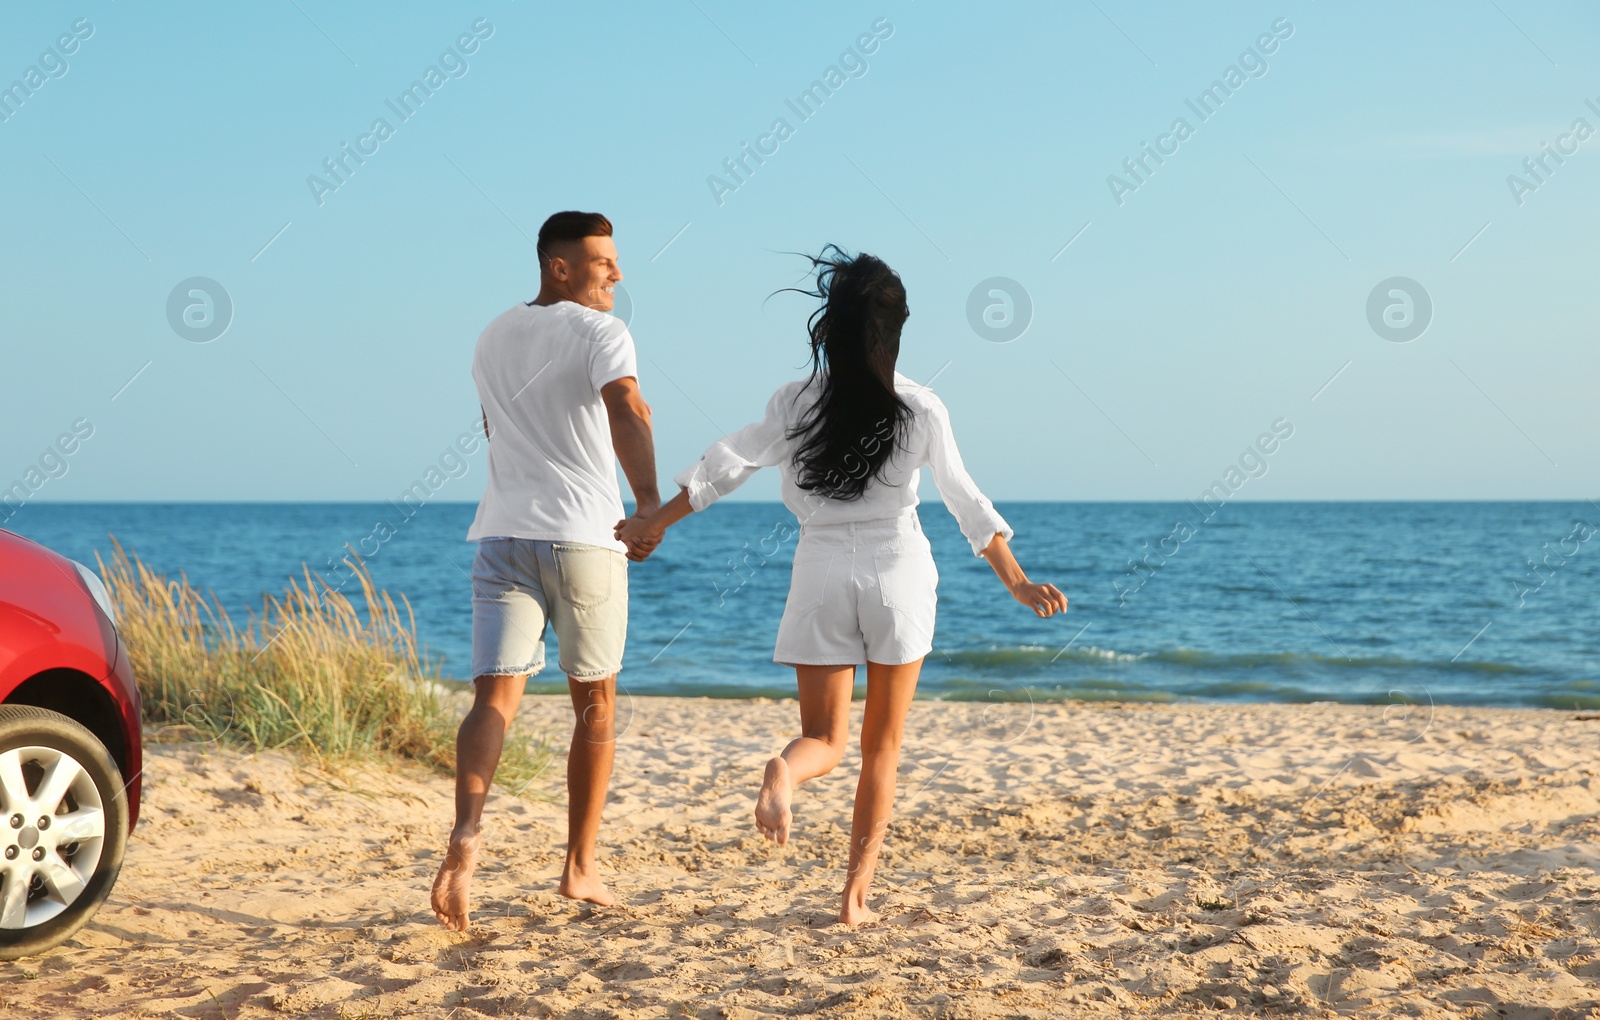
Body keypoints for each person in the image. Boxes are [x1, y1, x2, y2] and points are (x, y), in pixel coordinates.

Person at [617, 247, 1067, 924]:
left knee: (823, 739)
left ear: (829, 329)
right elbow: (963, 499)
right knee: (880, 749)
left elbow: (729, 462)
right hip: (899, 571)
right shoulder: (921, 407)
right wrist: (1018, 580)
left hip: (820, 571)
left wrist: (659, 519)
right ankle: (854, 898)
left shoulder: (795, 401)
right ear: (894, 332)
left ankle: (783, 772)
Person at [431, 211, 662, 931]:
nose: (617, 274)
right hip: (584, 538)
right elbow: (627, 408)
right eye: (603, 262)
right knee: (595, 707)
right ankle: (579, 869)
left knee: (492, 702)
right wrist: (650, 502)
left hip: (501, 536)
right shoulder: (601, 332)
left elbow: (495, 428)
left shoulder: (493, 333)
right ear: (559, 267)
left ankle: (467, 830)